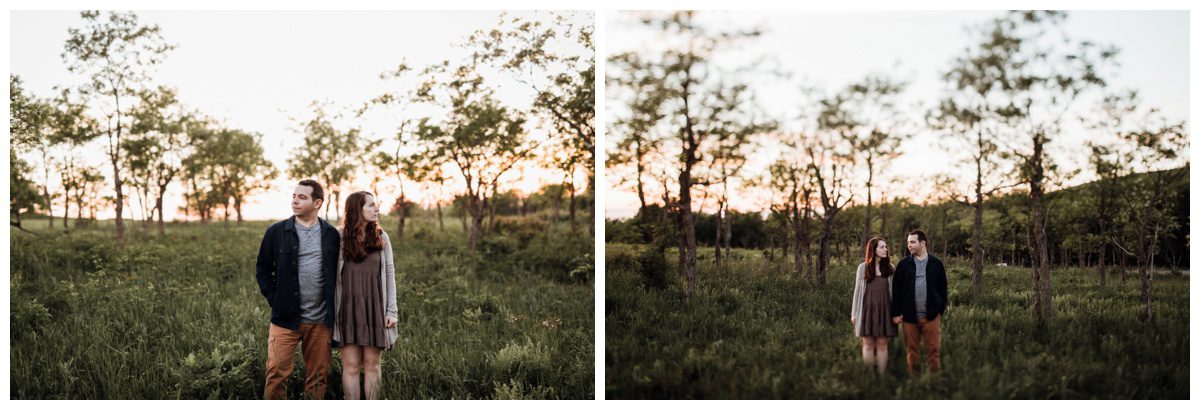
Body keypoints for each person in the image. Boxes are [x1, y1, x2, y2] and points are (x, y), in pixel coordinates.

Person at [255, 180, 341, 399]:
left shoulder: (331, 234)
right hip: (285, 319)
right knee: (276, 373)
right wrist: (276, 300)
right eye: (294, 196)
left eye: (302, 197)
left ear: (317, 203)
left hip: (321, 321)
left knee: (318, 376)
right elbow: (263, 270)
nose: (295, 201)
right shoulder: (276, 232)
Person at [333, 191, 398, 400]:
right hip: (347, 308)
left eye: (375, 204)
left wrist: (391, 310)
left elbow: (389, 273)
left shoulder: (381, 236)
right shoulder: (338, 236)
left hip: (374, 308)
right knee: (351, 366)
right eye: (370, 205)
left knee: (372, 365)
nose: (376, 209)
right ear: (356, 209)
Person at [890, 229, 948, 374]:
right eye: (908, 242)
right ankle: (915, 379)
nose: (909, 245)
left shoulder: (936, 264)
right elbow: (896, 291)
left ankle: (934, 379)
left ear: (923, 243)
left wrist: (940, 309)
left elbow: (943, 288)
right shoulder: (903, 265)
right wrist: (896, 312)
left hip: (932, 316)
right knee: (912, 351)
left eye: (912, 242)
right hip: (909, 317)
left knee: (933, 350)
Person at [851, 236, 897, 375]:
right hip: (866, 310)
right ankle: (869, 376)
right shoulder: (862, 268)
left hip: (885, 311)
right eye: (882, 247)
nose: (885, 249)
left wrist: (896, 312)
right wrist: (854, 312)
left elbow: (895, 292)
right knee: (868, 343)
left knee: (882, 344)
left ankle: (882, 377)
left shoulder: (890, 268)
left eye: (886, 247)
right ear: (873, 249)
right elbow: (857, 291)